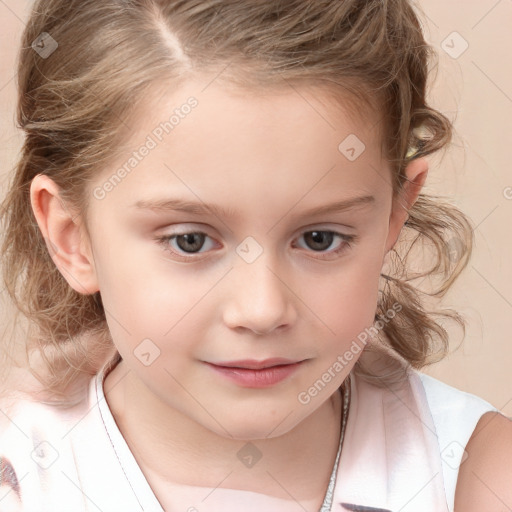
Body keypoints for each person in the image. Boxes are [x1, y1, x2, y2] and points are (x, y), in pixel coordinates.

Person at [0, 0, 511, 511]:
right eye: (190, 241)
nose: (263, 310)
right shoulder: (21, 480)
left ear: (396, 211)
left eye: (319, 239)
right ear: (72, 236)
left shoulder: (478, 475)